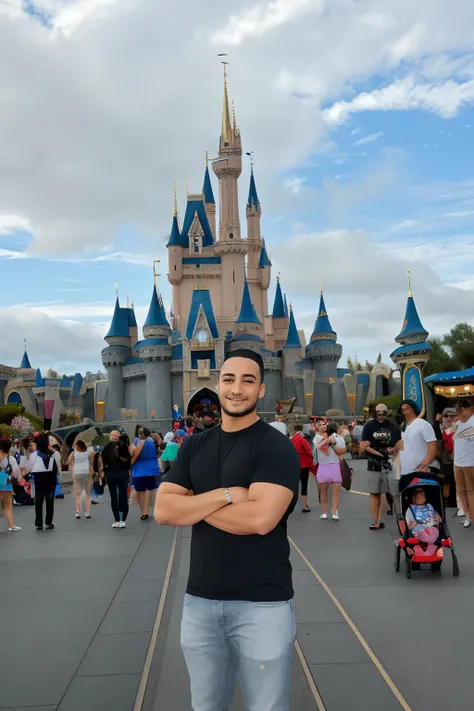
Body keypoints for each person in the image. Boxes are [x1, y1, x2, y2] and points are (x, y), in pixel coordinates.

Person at [155, 348, 300, 711]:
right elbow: (162, 509)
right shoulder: (195, 445)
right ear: (218, 384)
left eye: (248, 381)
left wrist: (192, 507)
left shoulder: (275, 448)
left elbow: (259, 520)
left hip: (262, 606)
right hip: (200, 602)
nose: (237, 389)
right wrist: (224, 496)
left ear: (261, 390)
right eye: (230, 379)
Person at [359, 404, 402, 530]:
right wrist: (379, 453)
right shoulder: (369, 426)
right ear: (375, 413)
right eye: (379, 413)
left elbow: (398, 444)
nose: (381, 416)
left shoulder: (392, 426)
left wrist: (392, 451)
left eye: (384, 413)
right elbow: (364, 445)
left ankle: (387, 520)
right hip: (374, 463)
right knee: (375, 493)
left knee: (390, 493)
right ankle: (376, 521)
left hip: (390, 463)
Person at [23, 433, 59, 530]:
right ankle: (48, 522)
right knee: (49, 502)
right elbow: (56, 468)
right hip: (50, 480)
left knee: (38, 501)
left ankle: (39, 523)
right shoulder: (52, 454)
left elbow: (28, 467)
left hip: (38, 479)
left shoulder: (34, 454)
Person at [399, 400, 439, 487]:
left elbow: (432, 446)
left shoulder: (423, 424)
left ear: (414, 409)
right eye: (403, 407)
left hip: (420, 471)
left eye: (408, 406)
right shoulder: (402, 427)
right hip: (404, 473)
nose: (404, 408)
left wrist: (423, 465)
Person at [313, 422, 346, 520]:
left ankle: (331, 511)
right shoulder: (318, 437)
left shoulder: (338, 438)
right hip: (325, 465)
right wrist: (326, 440)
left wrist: (333, 442)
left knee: (331, 491)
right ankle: (328, 512)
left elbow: (342, 451)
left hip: (332, 464)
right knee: (327, 491)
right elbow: (317, 447)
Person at [100, 430, 131, 528]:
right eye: (112, 436)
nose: (112, 437)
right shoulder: (108, 447)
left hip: (122, 473)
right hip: (111, 473)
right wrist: (102, 471)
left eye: (114, 435)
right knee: (113, 496)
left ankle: (123, 518)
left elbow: (127, 458)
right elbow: (103, 459)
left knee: (123, 495)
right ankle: (117, 518)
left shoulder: (123, 446)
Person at [453, 400, 474, 529]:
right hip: (458, 463)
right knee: (461, 490)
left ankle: (472, 516)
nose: (459, 413)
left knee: (471, 490)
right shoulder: (458, 424)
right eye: (458, 410)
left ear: (469, 409)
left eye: (462, 410)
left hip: (471, 463)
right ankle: (467, 515)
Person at [131, 426, 159, 521]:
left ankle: (143, 511)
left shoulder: (136, 442)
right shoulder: (152, 442)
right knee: (149, 489)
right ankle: (146, 511)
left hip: (139, 468)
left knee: (140, 490)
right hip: (150, 468)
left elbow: (132, 453)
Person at [405, 485, 442, 557]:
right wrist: (416, 523)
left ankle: (425, 549)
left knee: (434, 530)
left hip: (431, 527)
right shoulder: (411, 509)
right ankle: (428, 547)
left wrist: (436, 519)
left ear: (425, 496)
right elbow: (409, 525)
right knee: (421, 531)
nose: (418, 495)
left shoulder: (430, 507)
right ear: (412, 497)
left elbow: (439, 520)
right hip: (419, 529)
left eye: (421, 493)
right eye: (416, 493)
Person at [0, 438, 23, 531]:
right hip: (6, 482)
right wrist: (18, 478)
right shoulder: (11, 459)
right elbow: (16, 472)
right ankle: (11, 525)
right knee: (8, 506)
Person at [68, 439, 93, 519]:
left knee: (78, 494)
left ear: (77, 446)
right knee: (88, 494)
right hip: (86, 473)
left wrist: (72, 463)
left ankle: (78, 512)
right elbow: (91, 460)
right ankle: (87, 512)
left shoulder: (74, 452)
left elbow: (69, 460)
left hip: (77, 473)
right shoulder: (88, 452)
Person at [291, 424, 314, 512]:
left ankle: (290, 503)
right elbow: (309, 451)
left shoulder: (292, 439)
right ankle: (305, 505)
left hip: (295, 464)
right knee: (304, 484)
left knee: (294, 485)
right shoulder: (302, 439)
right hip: (304, 464)